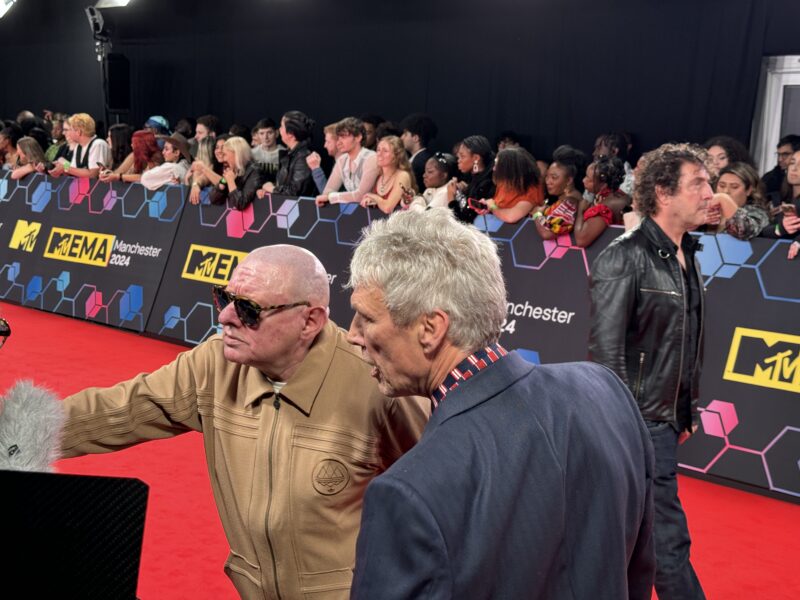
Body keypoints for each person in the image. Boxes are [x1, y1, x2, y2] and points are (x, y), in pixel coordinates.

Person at [58, 245, 428, 599]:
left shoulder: (378, 383)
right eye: (224, 299)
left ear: (309, 321)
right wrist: (25, 427)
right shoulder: (212, 365)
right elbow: (115, 411)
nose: (225, 318)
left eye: (249, 310)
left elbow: (438, 501)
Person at [346, 208, 655, 599]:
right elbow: (639, 571)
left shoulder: (406, 493)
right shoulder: (605, 391)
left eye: (365, 318)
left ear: (430, 329)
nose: (353, 334)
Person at [589, 142, 710, 599]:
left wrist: (686, 410)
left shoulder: (686, 254)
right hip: (638, 422)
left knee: (637, 541)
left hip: (666, 417)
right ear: (663, 192)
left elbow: (683, 342)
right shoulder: (625, 256)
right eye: (698, 183)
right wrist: (623, 428)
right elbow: (606, 354)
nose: (708, 193)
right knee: (667, 542)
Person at [315, 117, 378, 207]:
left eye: (343, 137)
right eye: (338, 137)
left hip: (375, 212)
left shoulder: (371, 158)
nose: (338, 142)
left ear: (358, 137)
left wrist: (330, 197)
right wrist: (328, 196)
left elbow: (361, 195)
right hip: (356, 211)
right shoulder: (342, 160)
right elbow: (328, 191)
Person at [573, 156, 631, 247]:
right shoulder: (619, 194)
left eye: (588, 179)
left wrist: (580, 211)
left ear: (603, 184)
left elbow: (581, 240)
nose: (583, 180)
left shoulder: (605, 207)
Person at [479, 146, 544, 224]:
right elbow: (498, 208)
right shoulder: (504, 182)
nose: (494, 169)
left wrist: (493, 207)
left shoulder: (532, 189)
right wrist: (487, 207)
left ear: (510, 169)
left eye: (497, 165)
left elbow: (511, 217)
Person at [534, 144, 587, 238]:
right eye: (547, 176)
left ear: (569, 180)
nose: (548, 182)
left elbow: (547, 233)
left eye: (554, 177)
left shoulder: (570, 204)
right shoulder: (566, 200)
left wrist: (537, 214)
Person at [260, 110, 316, 197]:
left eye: (282, 126)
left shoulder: (303, 157)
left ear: (290, 134)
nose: (279, 129)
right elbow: (284, 184)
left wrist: (272, 189)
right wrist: (269, 188)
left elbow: (294, 192)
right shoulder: (289, 154)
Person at [709, 162, 770, 240]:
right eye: (722, 186)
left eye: (734, 187)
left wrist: (723, 198)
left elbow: (743, 230)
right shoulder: (708, 211)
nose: (726, 191)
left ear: (749, 190)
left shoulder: (758, 213)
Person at [360, 135, 417, 213]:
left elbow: (388, 208)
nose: (379, 154)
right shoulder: (378, 175)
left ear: (397, 155)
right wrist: (370, 200)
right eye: (378, 150)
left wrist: (372, 196)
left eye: (385, 151)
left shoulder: (402, 175)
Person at [446, 135, 496, 223]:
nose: (458, 160)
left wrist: (451, 198)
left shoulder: (486, 184)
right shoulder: (473, 178)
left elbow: (465, 222)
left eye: (462, 156)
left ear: (476, 158)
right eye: (458, 157)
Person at [208, 136, 266, 209]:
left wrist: (231, 182)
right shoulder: (232, 169)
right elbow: (213, 199)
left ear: (236, 154)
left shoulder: (255, 171)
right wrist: (222, 183)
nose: (224, 158)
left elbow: (241, 203)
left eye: (225, 154)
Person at [48, 113, 111, 179]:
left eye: (70, 129)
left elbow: (93, 174)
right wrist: (59, 168)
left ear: (78, 132)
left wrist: (65, 167)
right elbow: (74, 170)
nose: (63, 133)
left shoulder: (98, 144)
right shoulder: (79, 146)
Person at [399, 113, 437, 189]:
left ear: (416, 138)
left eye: (405, 134)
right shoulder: (417, 158)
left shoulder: (420, 162)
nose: (401, 138)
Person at [186, 136, 222, 205]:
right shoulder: (196, 166)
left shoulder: (213, 167)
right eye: (217, 148)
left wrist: (196, 183)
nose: (219, 151)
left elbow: (223, 182)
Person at [306, 121, 340, 193]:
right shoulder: (337, 162)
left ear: (339, 143)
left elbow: (328, 195)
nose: (325, 145)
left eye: (328, 142)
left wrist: (316, 169)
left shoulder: (345, 166)